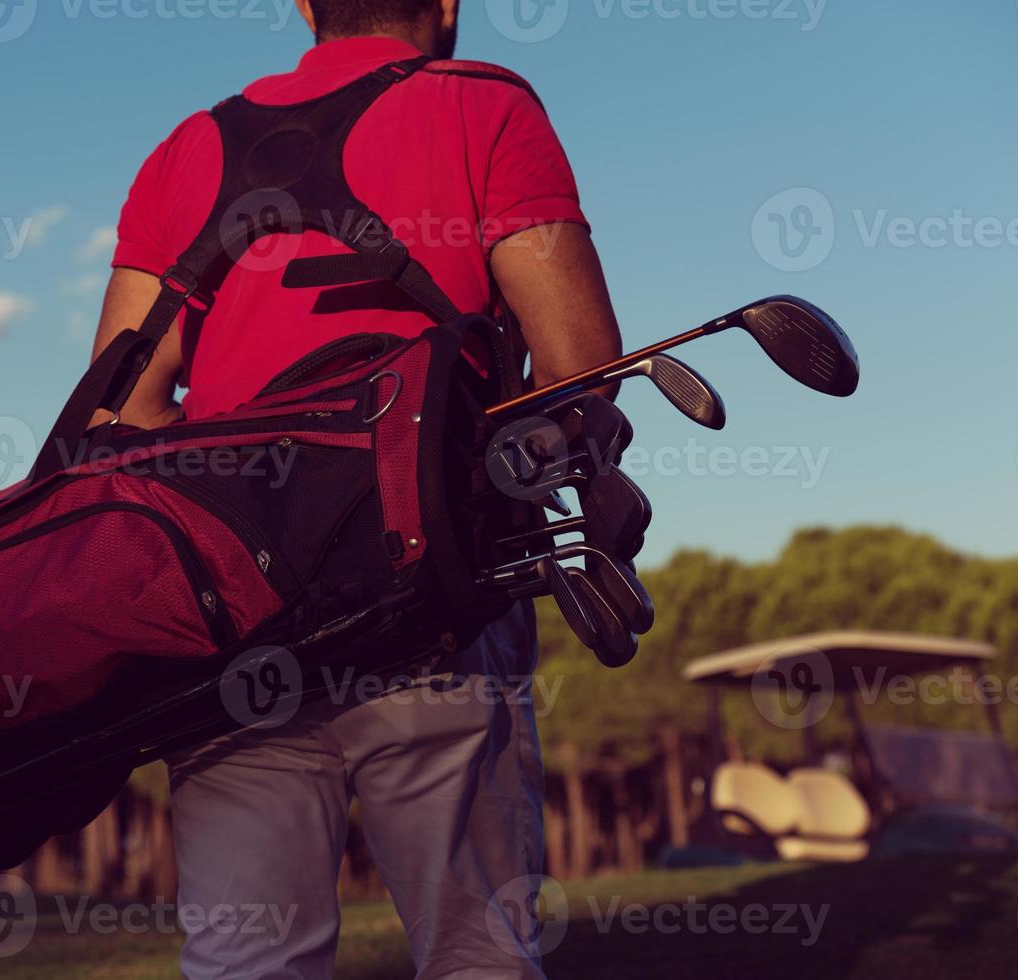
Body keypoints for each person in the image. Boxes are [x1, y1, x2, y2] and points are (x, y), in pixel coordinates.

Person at [91, 1, 622, 975]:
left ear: (302, 4)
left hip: (233, 620)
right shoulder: (485, 107)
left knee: (247, 962)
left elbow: (119, 420)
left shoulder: (185, 150)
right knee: (478, 952)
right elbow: (578, 370)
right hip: (434, 591)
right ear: (449, 4)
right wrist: (597, 472)